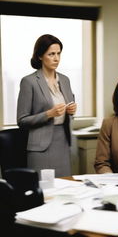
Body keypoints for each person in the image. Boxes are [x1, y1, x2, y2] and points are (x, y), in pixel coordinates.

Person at [17, 34, 77, 177]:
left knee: (65, 187)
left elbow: (70, 107)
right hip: (40, 147)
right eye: (51, 54)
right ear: (40, 56)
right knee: (44, 191)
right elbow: (22, 120)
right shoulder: (29, 82)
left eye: (58, 53)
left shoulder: (65, 80)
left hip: (63, 142)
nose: (56, 58)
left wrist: (71, 110)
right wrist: (49, 113)